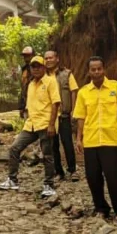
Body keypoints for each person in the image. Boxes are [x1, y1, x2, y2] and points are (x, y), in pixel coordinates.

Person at [72, 57, 117, 221]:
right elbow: (81, 117)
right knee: (93, 176)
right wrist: (79, 138)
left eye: (99, 68)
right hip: (91, 140)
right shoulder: (83, 92)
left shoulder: (116, 87)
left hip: (111, 138)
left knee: (114, 175)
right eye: (93, 69)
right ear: (89, 71)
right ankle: (101, 208)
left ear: (104, 69)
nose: (96, 72)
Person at [0, 55, 59, 198]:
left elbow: (56, 104)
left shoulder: (50, 82)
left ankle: (49, 185)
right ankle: (12, 180)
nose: (36, 69)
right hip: (31, 124)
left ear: (44, 67)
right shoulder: (31, 84)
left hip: (45, 124)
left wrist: (51, 125)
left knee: (47, 155)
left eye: (39, 66)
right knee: (14, 148)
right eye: (33, 66)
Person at [45, 50, 79, 181]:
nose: (48, 60)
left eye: (51, 58)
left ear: (57, 59)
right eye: (46, 58)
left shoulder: (67, 74)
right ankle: (58, 172)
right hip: (50, 117)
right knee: (53, 145)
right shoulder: (43, 77)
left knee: (67, 143)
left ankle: (72, 170)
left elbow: (73, 91)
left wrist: (73, 110)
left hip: (64, 115)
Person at [17, 46, 35, 120]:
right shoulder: (24, 70)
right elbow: (23, 89)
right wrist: (21, 106)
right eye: (24, 56)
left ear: (33, 55)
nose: (26, 58)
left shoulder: (41, 69)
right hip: (26, 104)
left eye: (28, 55)